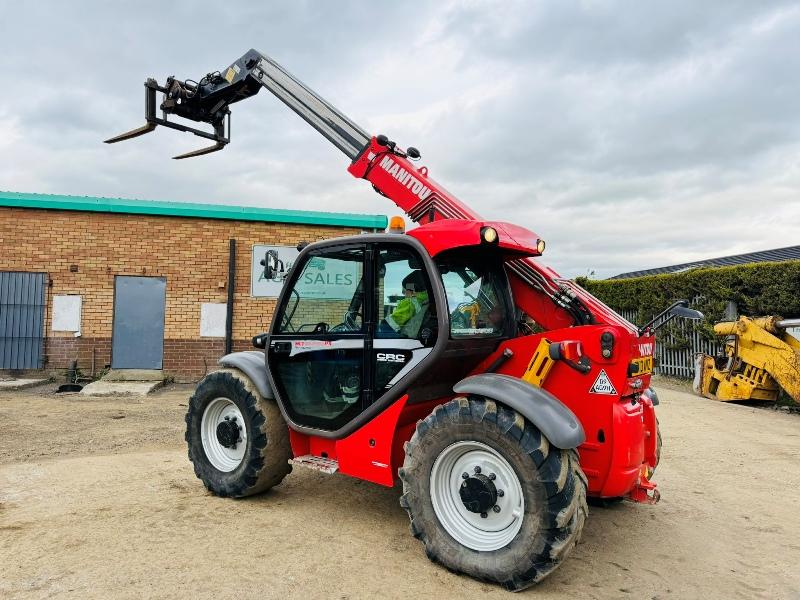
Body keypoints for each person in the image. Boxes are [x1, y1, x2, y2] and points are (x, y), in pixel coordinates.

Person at [381, 270, 428, 335]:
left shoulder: (410, 303)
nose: (404, 294)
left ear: (413, 290)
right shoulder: (427, 298)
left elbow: (390, 324)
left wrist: (382, 325)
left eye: (405, 291)